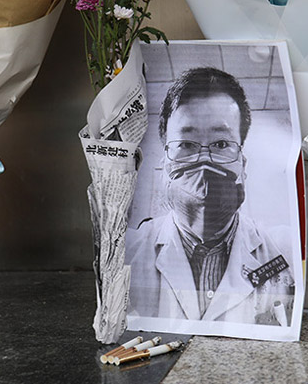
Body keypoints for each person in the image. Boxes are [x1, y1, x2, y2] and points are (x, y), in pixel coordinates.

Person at [126, 67, 296, 326]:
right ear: (164, 164)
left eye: (220, 144)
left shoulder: (285, 250)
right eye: (186, 144)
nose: (204, 162)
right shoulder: (130, 251)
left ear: (242, 163)